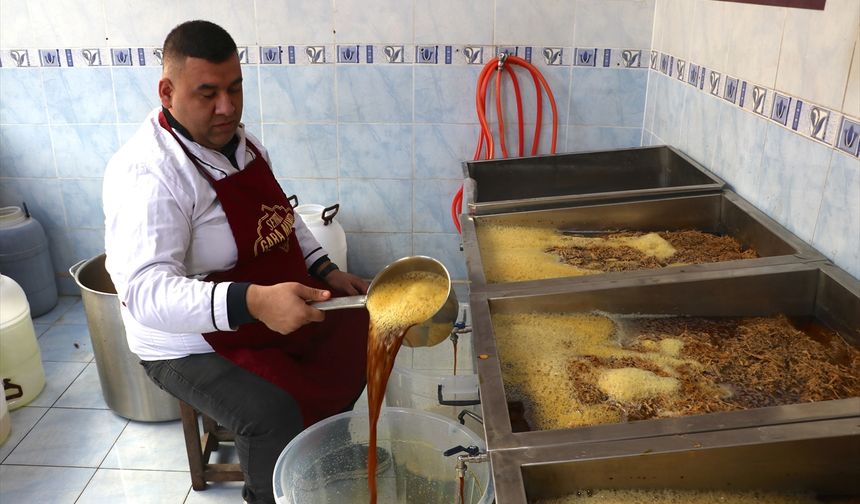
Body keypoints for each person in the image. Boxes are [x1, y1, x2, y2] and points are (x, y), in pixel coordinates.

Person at [103, 20, 369, 504]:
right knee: (271, 412)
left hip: (266, 305)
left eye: (235, 88)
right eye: (208, 94)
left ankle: (330, 452)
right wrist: (254, 301)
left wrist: (328, 271)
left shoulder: (240, 143)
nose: (227, 107)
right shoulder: (148, 174)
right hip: (187, 341)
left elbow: (281, 217)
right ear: (167, 91)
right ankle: (272, 494)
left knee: (359, 334)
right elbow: (144, 294)